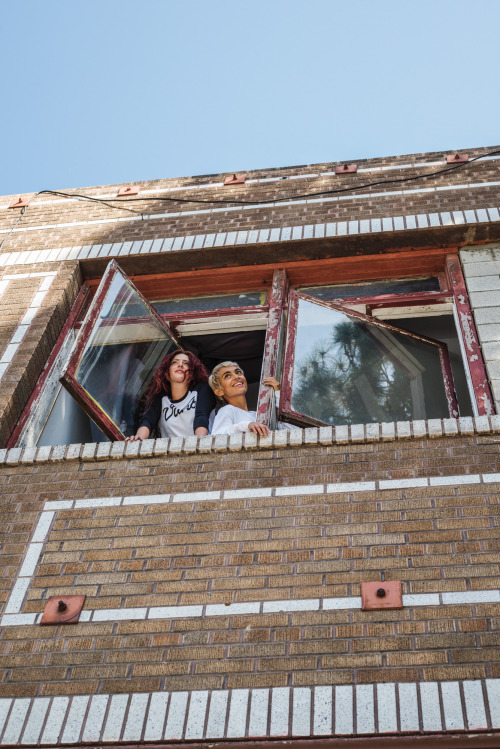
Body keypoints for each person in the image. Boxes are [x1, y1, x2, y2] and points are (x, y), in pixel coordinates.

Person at [126, 350, 215, 441]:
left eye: (186, 363)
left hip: (196, 448)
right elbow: (148, 420)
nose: (180, 365)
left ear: (192, 374)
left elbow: (202, 417)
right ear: (167, 374)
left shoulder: (201, 390)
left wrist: (200, 444)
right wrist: (138, 439)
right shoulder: (160, 397)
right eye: (175, 362)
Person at [209, 361, 298, 435]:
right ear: (219, 391)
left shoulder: (259, 415)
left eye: (238, 372)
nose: (237, 377)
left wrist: (278, 393)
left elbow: (292, 430)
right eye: (227, 376)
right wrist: (247, 426)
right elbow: (218, 437)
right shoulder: (227, 410)